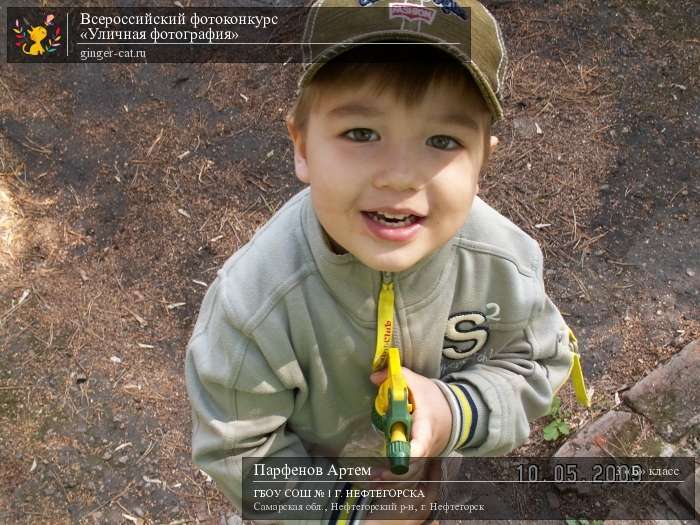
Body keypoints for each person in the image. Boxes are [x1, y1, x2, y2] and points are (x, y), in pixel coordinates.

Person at [186, 1, 586, 523]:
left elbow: (534, 363)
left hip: (433, 476)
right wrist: (360, 516)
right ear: (303, 146)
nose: (399, 176)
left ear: (482, 161)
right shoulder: (254, 305)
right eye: (361, 133)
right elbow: (237, 450)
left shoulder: (502, 263)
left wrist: (450, 413)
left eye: (442, 140)